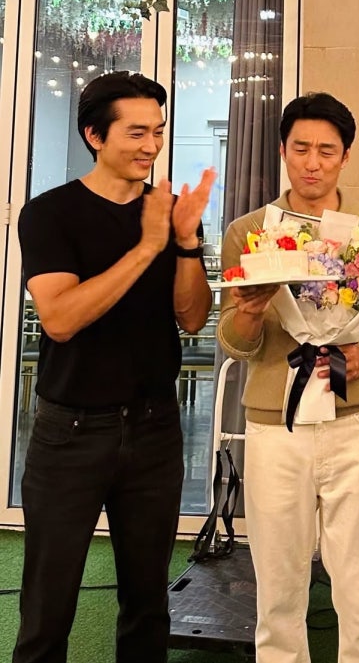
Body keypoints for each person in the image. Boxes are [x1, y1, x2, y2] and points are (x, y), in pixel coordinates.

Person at [14, 71, 215, 663]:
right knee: (47, 608)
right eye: (136, 133)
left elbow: (192, 318)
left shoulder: (171, 214)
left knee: (148, 604)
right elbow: (60, 319)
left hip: (155, 429)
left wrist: (184, 244)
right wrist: (148, 246)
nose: (152, 146)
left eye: (158, 131)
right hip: (70, 433)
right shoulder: (50, 214)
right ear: (95, 136)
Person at [217, 92, 359, 663]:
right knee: (278, 579)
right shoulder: (249, 231)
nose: (312, 163)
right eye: (301, 148)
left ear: (346, 156)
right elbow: (233, 342)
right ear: (283, 151)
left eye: (326, 151)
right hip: (274, 426)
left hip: (354, 421)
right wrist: (251, 312)